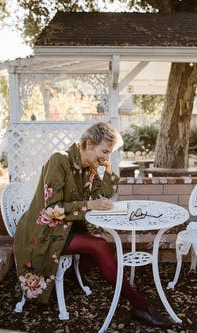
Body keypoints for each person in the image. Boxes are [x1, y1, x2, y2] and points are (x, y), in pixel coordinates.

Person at [13, 122, 172, 328]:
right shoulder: (59, 160)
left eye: (110, 153)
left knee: (103, 243)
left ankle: (71, 278)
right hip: (43, 232)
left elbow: (102, 195)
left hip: (67, 228)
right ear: (88, 143)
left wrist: (109, 170)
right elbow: (52, 208)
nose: (106, 157)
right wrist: (89, 204)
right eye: (105, 151)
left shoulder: (88, 168)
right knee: (100, 246)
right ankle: (140, 305)